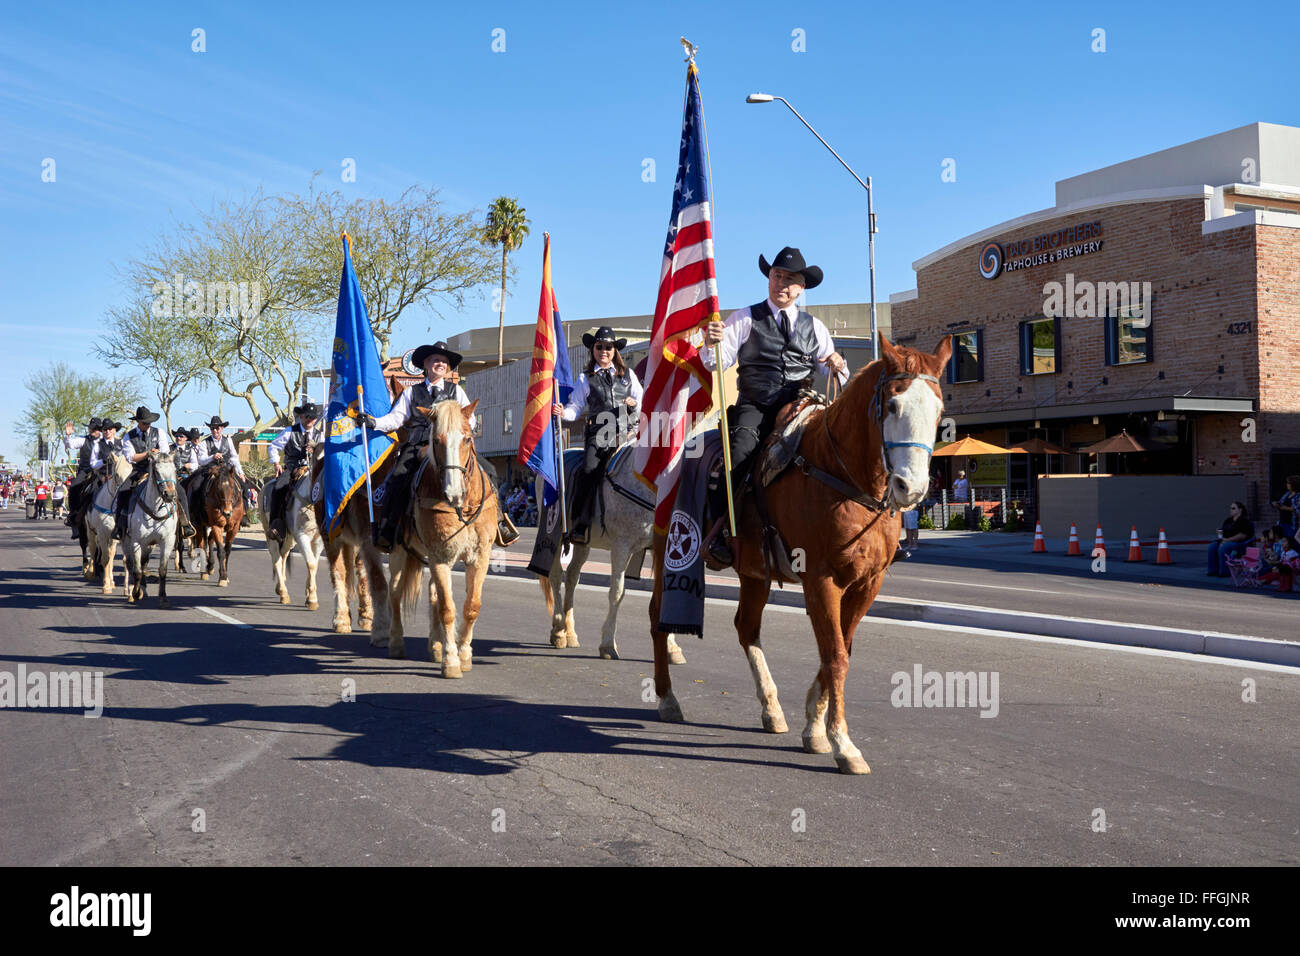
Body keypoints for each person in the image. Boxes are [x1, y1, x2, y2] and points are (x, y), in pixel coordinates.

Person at [701, 246, 849, 565]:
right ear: (769, 278)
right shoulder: (744, 318)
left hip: (800, 408)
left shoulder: (816, 328)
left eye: (789, 278)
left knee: (836, 449)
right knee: (738, 454)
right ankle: (724, 531)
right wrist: (710, 342)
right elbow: (716, 362)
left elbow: (835, 371)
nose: (780, 283)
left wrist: (838, 362)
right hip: (755, 406)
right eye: (776, 275)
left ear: (801, 287)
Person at [361, 341, 516, 552]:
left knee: (489, 471)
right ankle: (389, 529)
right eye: (435, 360)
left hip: (450, 446)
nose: (440, 364)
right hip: (418, 445)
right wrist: (374, 423)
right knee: (396, 478)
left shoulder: (456, 391)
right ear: (426, 364)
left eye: (444, 361)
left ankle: (499, 522)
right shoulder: (411, 392)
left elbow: (469, 420)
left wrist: (460, 430)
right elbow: (396, 418)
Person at [552, 326, 643, 545]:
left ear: (615, 350)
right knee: (590, 470)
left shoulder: (628, 375)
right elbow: (576, 406)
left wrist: (635, 403)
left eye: (608, 347)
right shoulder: (586, 378)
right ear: (593, 349)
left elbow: (644, 401)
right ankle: (581, 523)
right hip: (598, 434)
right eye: (599, 346)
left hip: (627, 433)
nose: (604, 350)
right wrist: (564, 412)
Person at [266, 403, 323, 542]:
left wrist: (316, 450)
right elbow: (273, 446)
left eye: (313, 417)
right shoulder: (289, 431)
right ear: (301, 416)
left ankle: (330, 522)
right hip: (292, 469)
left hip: (312, 469)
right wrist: (276, 463)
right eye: (307, 416)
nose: (310, 420)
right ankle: (276, 524)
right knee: (279, 487)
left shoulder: (319, 435)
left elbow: (324, 454)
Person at [113, 406, 172, 539]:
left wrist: (157, 454)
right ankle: (119, 526)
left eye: (149, 422)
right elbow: (131, 457)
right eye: (144, 422)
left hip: (159, 469)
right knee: (123, 491)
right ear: (138, 422)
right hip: (139, 470)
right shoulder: (129, 436)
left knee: (178, 489)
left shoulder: (159, 432)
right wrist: (147, 454)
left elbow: (165, 451)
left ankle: (184, 523)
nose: (147, 425)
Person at [63, 417, 103, 528]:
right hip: (86, 470)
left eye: (96, 429)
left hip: (102, 471)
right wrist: (68, 435)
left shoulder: (105, 441)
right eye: (92, 428)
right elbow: (69, 444)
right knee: (74, 486)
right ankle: (73, 514)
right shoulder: (83, 440)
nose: (94, 431)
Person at [1207, 500, 1253, 577]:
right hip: (1226, 540)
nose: (1231, 510)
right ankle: (1213, 570)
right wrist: (1221, 536)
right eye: (1230, 508)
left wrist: (1226, 541)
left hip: (1239, 544)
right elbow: (1223, 532)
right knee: (1212, 546)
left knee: (1224, 547)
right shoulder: (1228, 520)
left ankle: (1225, 572)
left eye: (1233, 508)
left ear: (1240, 510)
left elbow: (1242, 535)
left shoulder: (1244, 521)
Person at [1259, 526, 1299, 593]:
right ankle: (1281, 585)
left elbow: (1293, 562)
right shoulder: (1283, 552)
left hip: (1291, 569)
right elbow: (1281, 560)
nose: (1282, 544)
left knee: (1282, 569)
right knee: (1279, 569)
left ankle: (1287, 587)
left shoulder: (1292, 552)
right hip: (1282, 566)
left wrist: (1275, 563)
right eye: (1282, 542)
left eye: (1284, 542)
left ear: (1289, 544)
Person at [1271, 475, 1299, 539]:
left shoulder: (1298, 496)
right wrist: (1276, 504)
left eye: (1288, 483)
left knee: (1291, 541)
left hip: (1292, 524)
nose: (1287, 484)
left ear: (1294, 484)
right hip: (1282, 522)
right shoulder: (1287, 494)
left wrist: (1286, 508)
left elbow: (1297, 509)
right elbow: (1281, 503)